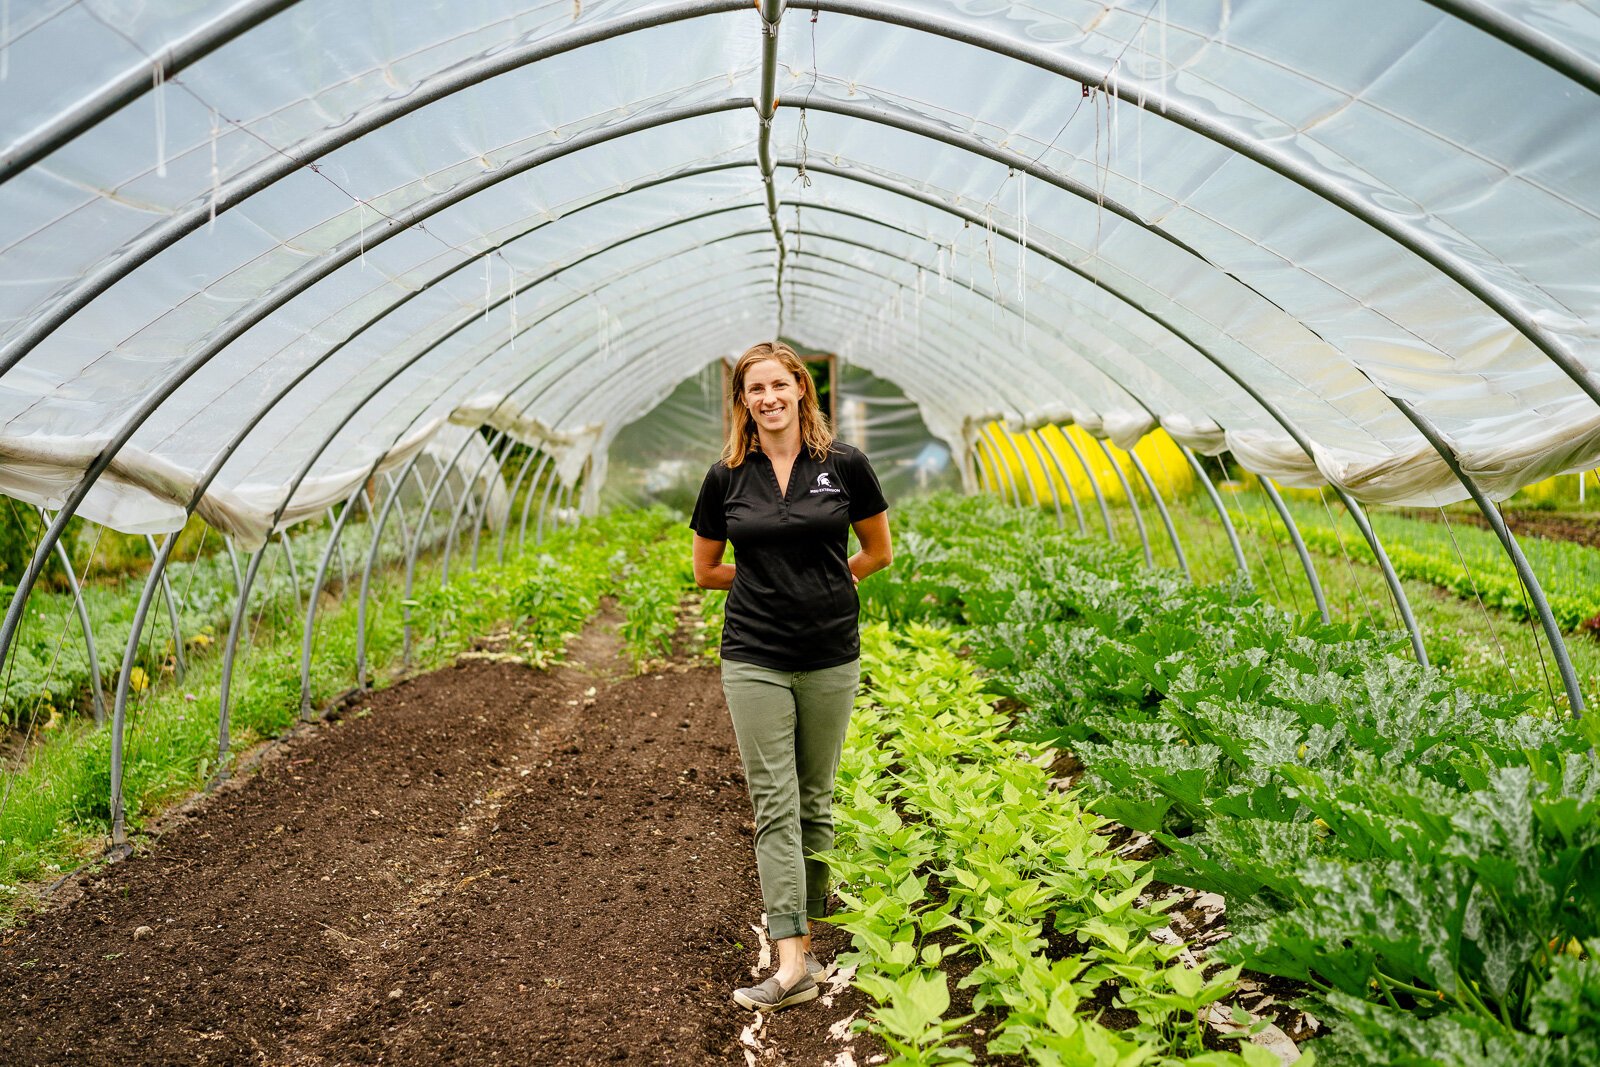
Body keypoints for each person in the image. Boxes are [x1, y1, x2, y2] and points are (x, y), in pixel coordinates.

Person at [690, 341, 893, 1013]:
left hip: (832, 653)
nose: (768, 398)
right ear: (743, 401)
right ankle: (789, 959)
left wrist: (828, 587)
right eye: (755, 389)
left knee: (815, 800)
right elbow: (707, 569)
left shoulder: (845, 466)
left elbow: (876, 552)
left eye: (779, 384)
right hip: (754, 655)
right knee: (774, 803)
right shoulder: (726, 477)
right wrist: (766, 589)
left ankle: (808, 936)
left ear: (802, 389)